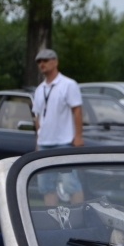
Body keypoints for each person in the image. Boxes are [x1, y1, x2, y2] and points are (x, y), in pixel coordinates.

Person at [31, 48, 84, 206]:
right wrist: (39, 139)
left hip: (64, 142)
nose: (42, 64)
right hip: (44, 144)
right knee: (46, 186)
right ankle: (52, 217)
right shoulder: (40, 89)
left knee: (70, 184)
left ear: (55, 62)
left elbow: (77, 110)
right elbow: (37, 116)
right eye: (39, 62)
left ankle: (78, 216)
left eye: (45, 60)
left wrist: (78, 137)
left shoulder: (68, 84)